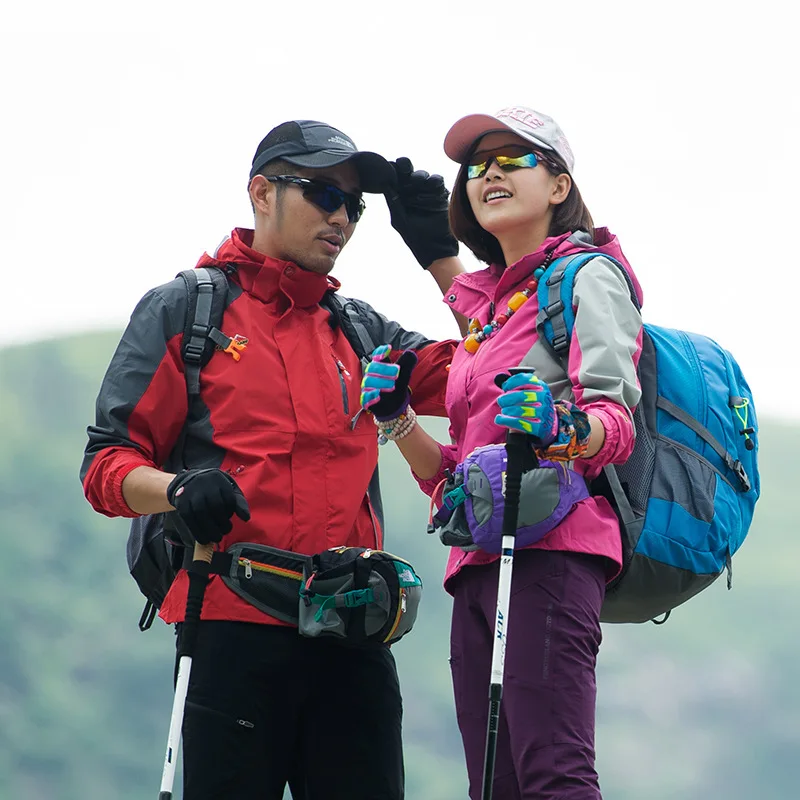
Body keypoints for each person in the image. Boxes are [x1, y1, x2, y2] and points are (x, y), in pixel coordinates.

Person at [80, 119, 464, 800]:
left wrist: (441, 257)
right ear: (261, 192)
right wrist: (177, 490)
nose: (341, 216)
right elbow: (106, 466)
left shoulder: (364, 330)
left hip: (355, 633)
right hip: (230, 626)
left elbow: (498, 368)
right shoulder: (185, 311)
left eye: (355, 205)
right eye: (323, 194)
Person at [360, 106, 644, 799]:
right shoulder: (488, 314)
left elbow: (616, 419)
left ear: (558, 185)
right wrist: (396, 417)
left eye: (515, 158)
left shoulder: (587, 276)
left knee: (554, 776)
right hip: (477, 561)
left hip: (552, 550)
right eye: (476, 165)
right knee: (495, 786)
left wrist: (559, 425)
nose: (489, 173)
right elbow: (456, 481)